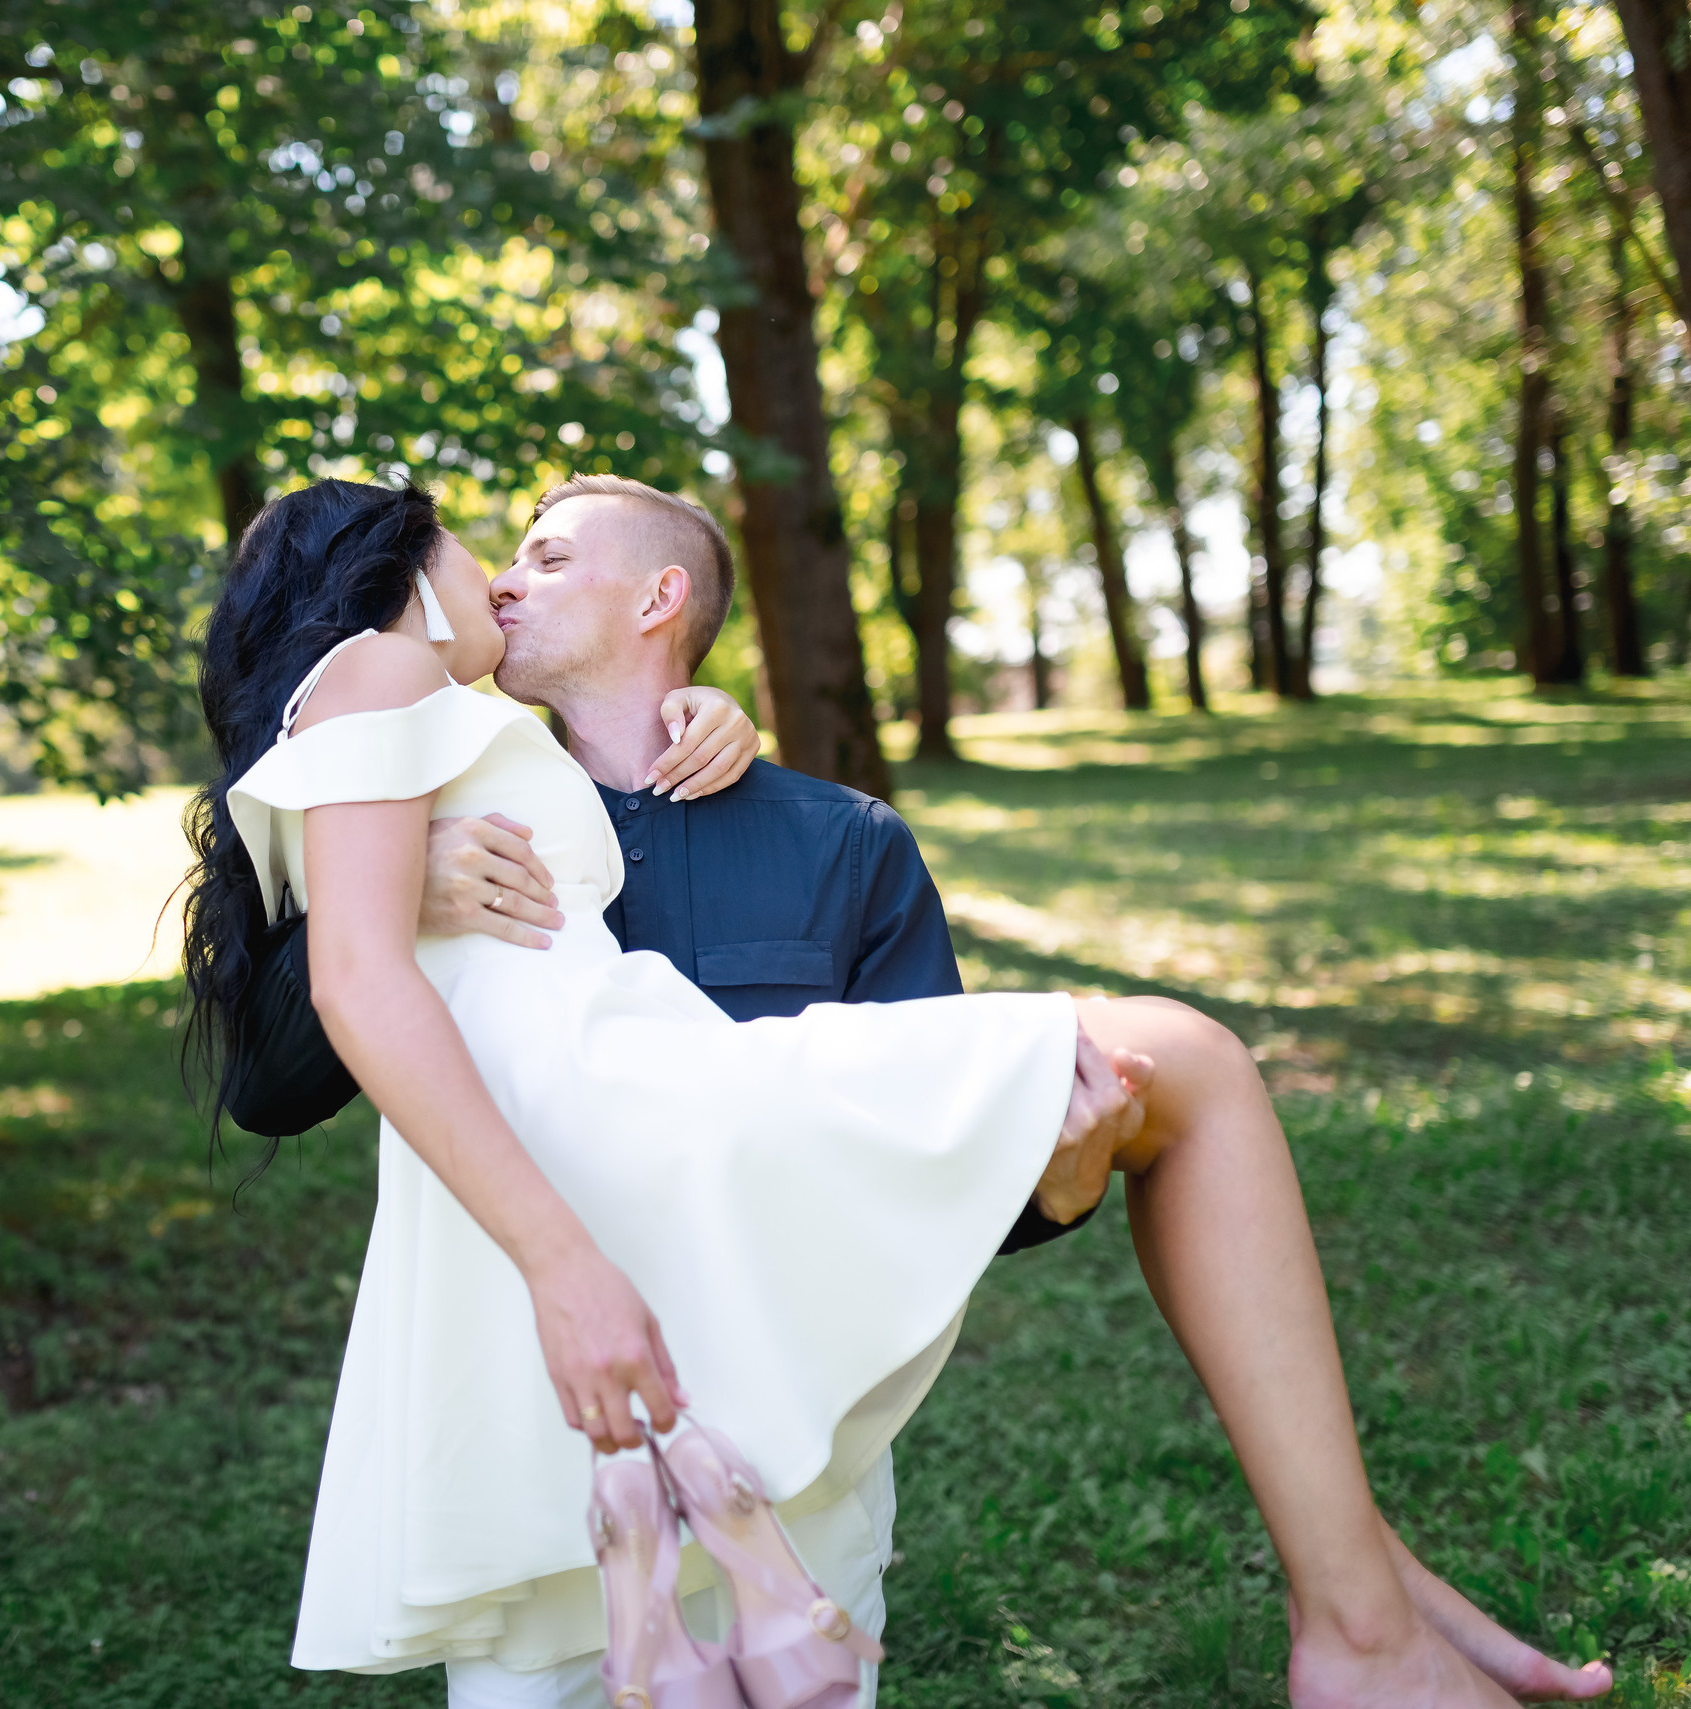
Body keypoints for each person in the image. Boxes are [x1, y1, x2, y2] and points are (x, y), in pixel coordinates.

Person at [180, 476, 1612, 1709]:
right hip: (554, 1324)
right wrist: (407, 890)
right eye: (487, 551)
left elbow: (944, 1173)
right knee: (1198, 1057)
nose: (500, 573)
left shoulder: (833, 838)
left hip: (768, 1336)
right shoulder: (420, 742)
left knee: (1179, 1068)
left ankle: (1367, 1598)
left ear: (660, 601)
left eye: (547, 556)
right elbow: (292, 1058)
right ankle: (1366, 1614)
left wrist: (1065, 1177)